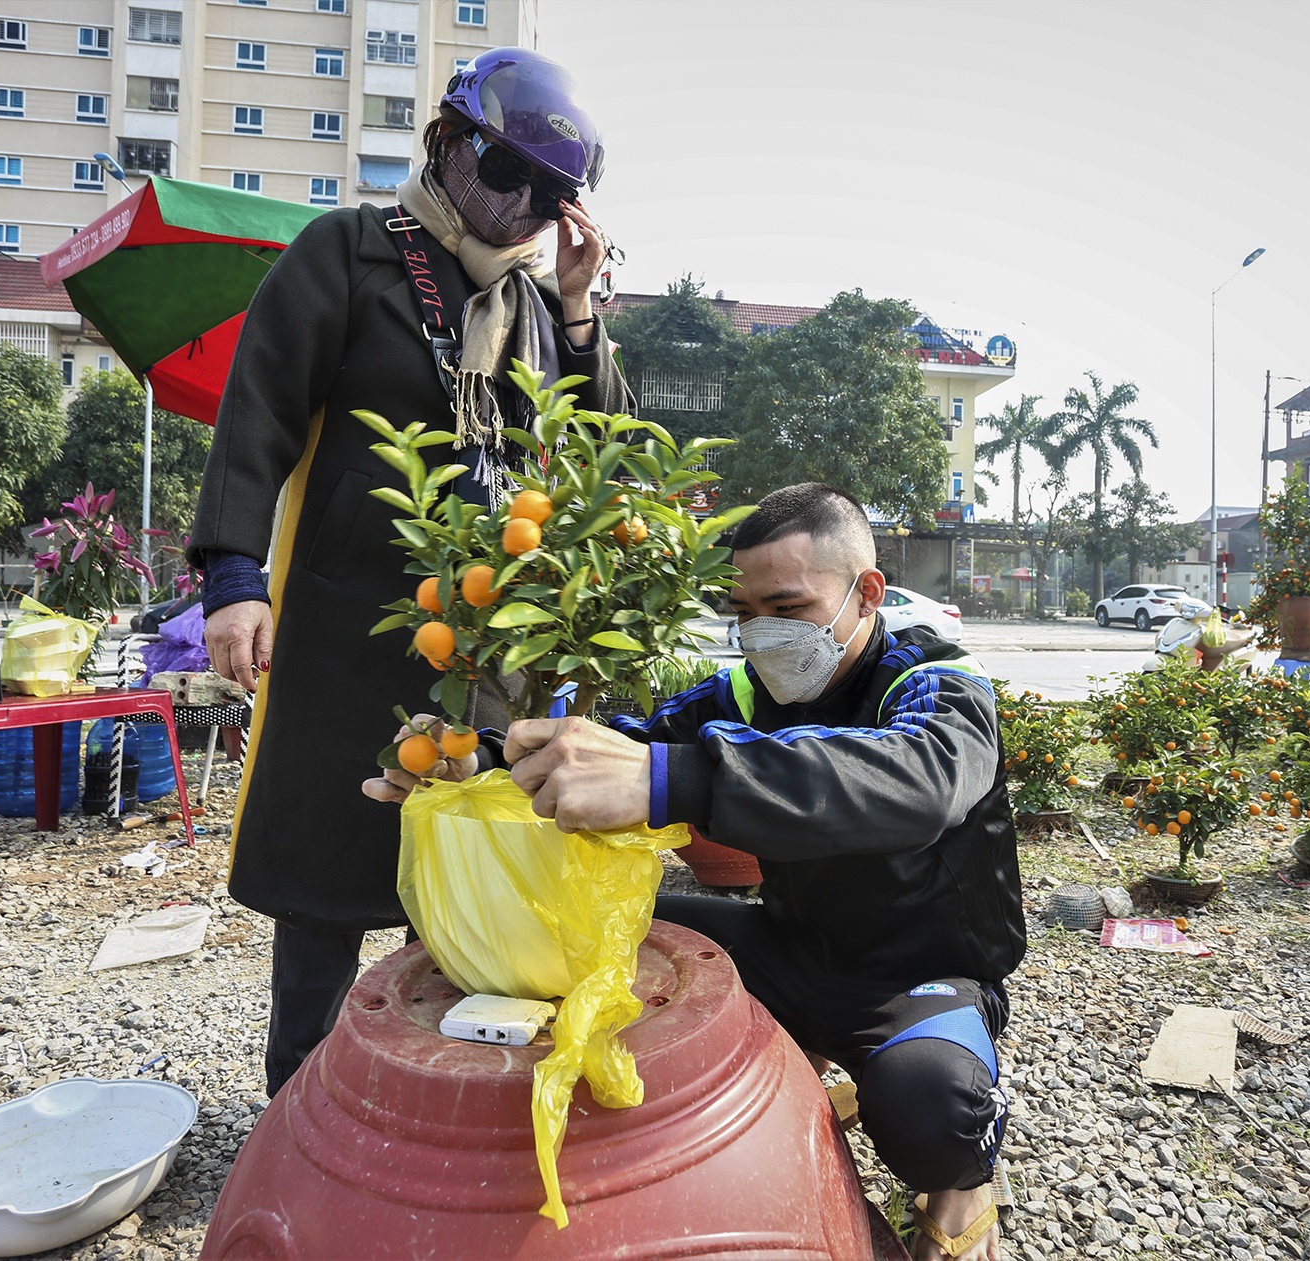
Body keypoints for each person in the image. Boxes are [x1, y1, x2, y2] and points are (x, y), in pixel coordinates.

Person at [371, 484, 1022, 1261]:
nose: (761, 634)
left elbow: (918, 782)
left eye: (786, 605)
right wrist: (474, 760)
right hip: (791, 942)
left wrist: (678, 780)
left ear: (866, 591)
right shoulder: (746, 691)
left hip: (920, 977)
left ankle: (963, 1180)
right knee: (590, 934)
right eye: (742, 612)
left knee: (931, 1109)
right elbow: (619, 746)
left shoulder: (935, 683)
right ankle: (794, 1062)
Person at [189, 46, 630, 1096]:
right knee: (326, 871)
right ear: (448, 143)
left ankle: (430, 1089)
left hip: (488, 633)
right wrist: (233, 579)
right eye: (505, 169)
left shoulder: (534, 309)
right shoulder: (346, 252)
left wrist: (577, 312)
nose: (524, 203)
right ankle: (298, 1094)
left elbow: (596, 452)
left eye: (552, 192)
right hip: (348, 620)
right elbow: (258, 413)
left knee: (470, 870)